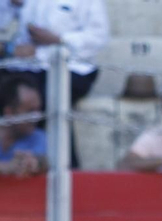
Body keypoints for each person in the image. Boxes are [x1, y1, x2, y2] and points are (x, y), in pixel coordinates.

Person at [6, 0, 109, 167]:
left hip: (73, 66)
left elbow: (99, 37)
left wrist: (59, 39)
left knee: (51, 101)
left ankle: (65, 168)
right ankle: (10, 163)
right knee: (12, 97)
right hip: (29, 65)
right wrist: (16, 47)